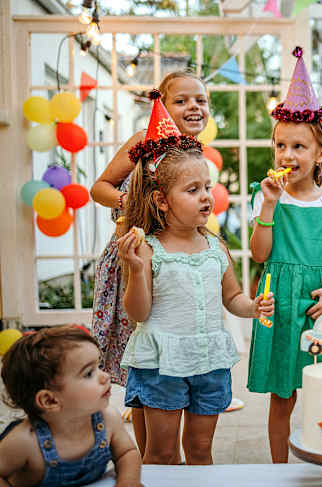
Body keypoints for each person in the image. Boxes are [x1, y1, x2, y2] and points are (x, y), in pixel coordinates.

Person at [117, 92, 274, 466]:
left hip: (207, 361)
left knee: (202, 450)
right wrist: (137, 273)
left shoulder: (215, 247)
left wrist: (251, 307)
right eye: (192, 190)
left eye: (207, 187)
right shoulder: (148, 249)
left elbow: (232, 297)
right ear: (161, 200)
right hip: (161, 365)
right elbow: (138, 313)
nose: (206, 197)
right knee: (162, 452)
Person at [247, 47, 322, 463]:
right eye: (281, 145)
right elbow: (260, 255)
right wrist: (268, 207)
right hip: (277, 305)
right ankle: (279, 468)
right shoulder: (267, 198)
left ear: (320, 154)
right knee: (283, 397)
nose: (287, 155)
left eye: (298, 146)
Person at [90, 71, 210, 460]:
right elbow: (100, 187)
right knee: (143, 354)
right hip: (135, 258)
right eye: (182, 100)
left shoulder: (193, 153)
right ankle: (150, 458)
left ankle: (157, 456)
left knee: (163, 349)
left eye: (201, 100)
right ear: (163, 104)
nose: (194, 107)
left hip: (174, 262)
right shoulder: (144, 141)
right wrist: (134, 201)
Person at [0, 326, 142, 487]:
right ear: (50, 401)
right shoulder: (24, 441)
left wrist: (128, 481)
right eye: (89, 373)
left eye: (99, 367)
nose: (105, 376)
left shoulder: (108, 418)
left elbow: (127, 453)